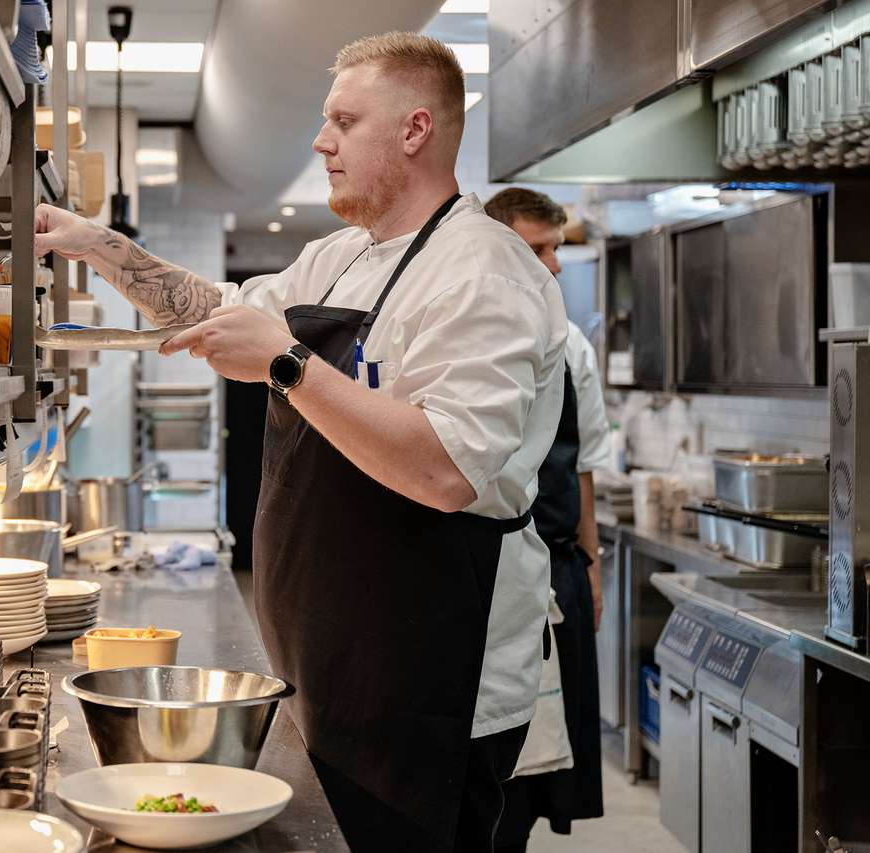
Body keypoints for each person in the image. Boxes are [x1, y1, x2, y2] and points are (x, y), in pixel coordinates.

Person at [35, 32, 567, 852]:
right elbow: (213, 312)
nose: (321, 141)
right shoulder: (340, 256)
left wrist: (286, 363)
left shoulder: (483, 272)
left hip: (435, 680)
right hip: (332, 656)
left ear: (416, 130)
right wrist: (92, 242)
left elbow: (446, 468)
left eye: (344, 121)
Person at [484, 188, 610, 852]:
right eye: (540, 249)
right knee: (485, 755)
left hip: (555, 563)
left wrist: (591, 567)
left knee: (538, 771)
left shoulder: (571, 347)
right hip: (483, 566)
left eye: (556, 248)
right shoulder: (465, 334)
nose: (555, 266)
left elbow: (582, 464)